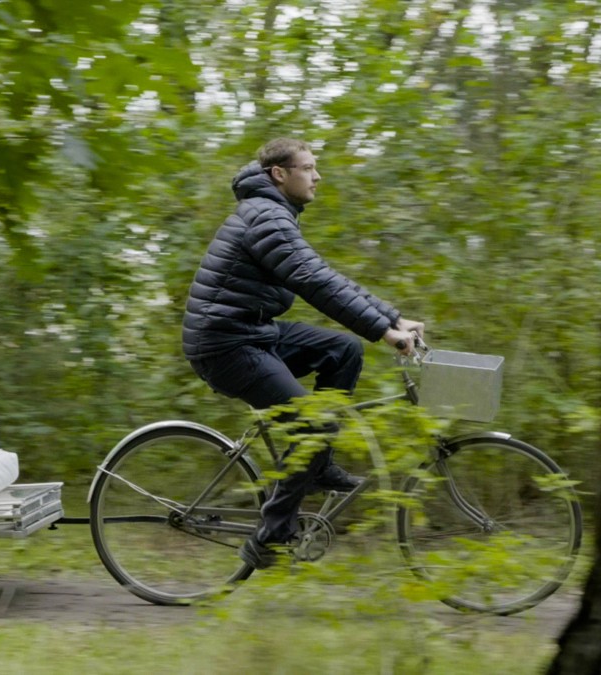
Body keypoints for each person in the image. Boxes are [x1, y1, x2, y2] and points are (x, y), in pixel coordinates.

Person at [181, 138, 425, 569]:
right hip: (224, 344)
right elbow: (315, 283)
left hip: (253, 332)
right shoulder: (266, 217)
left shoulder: (274, 213)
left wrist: (393, 318)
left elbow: (328, 276)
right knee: (312, 422)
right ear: (280, 174)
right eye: (308, 168)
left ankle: (318, 464)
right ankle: (270, 536)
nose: (317, 176)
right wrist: (383, 333)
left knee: (343, 350)